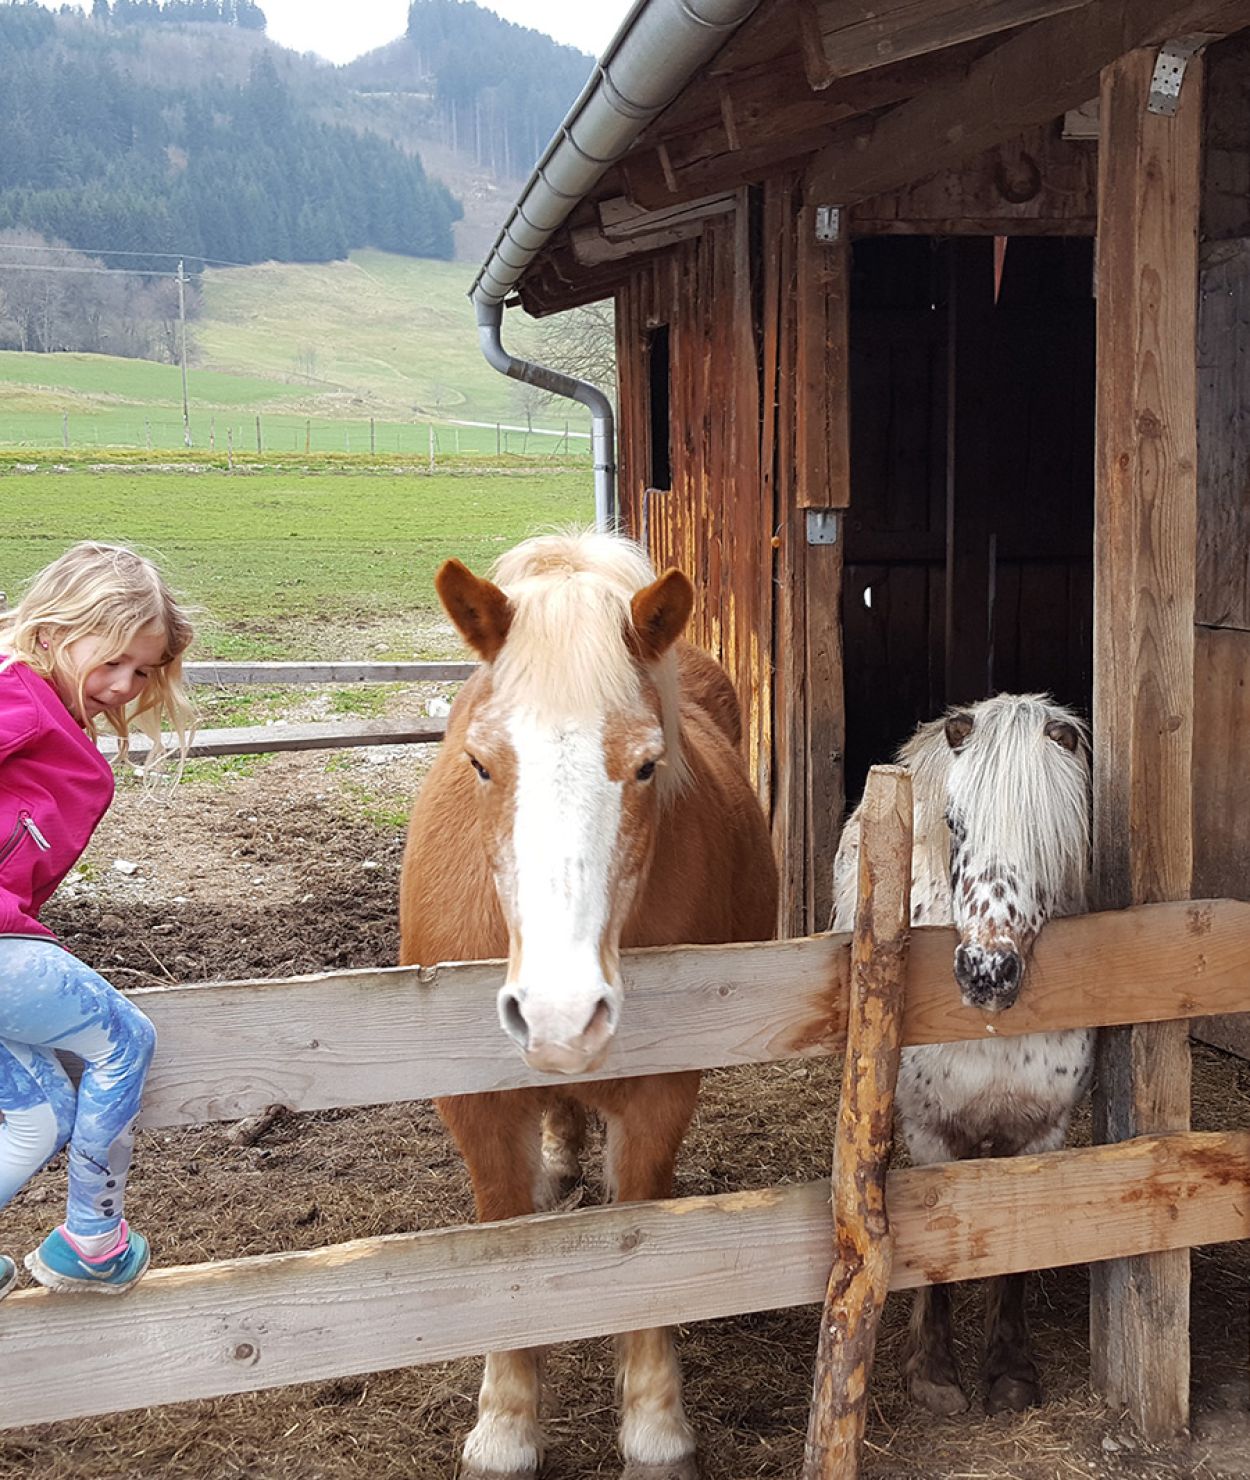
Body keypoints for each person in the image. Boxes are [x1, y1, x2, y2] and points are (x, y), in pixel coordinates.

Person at [0, 542, 194, 1298]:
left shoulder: (43, 708)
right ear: (51, 636)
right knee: (124, 1039)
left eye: (142, 671)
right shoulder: (18, 698)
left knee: (41, 1114)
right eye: (111, 661)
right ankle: (94, 1238)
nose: (123, 686)